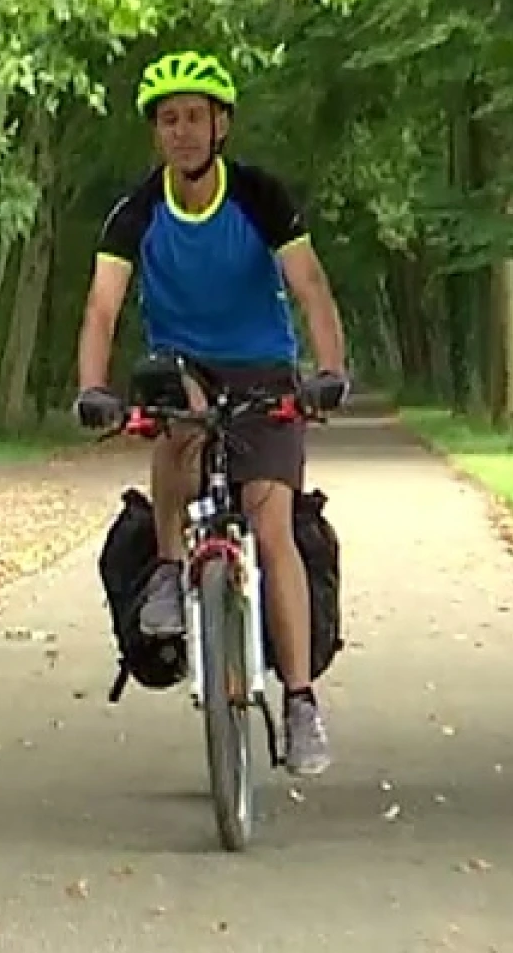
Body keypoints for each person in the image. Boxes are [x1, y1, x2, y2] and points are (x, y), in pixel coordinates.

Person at [70, 50, 350, 776]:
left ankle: (299, 700)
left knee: (271, 522)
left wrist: (329, 373)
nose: (183, 131)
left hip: (262, 365)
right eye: (169, 120)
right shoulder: (138, 209)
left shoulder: (258, 196)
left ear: (221, 125)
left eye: (196, 116)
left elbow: (311, 286)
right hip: (182, 365)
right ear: (156, 134)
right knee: (175, 426)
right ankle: (169, 570)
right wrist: (94, 389)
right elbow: (102, 307)